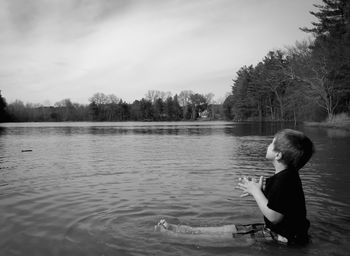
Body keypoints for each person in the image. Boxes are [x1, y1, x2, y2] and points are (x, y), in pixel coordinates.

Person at [155, 129, 314, 246]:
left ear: (278, 155)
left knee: (226, 237)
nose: (268, 145)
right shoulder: (286, 177)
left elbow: (275, 216)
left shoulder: (286, 180)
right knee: (228, 229)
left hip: (285, 239)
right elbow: (280, 205)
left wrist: (256, 192)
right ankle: (181, 229)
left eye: (272, 143)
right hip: (275, 232)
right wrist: (260, 191)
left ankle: (175, 237)